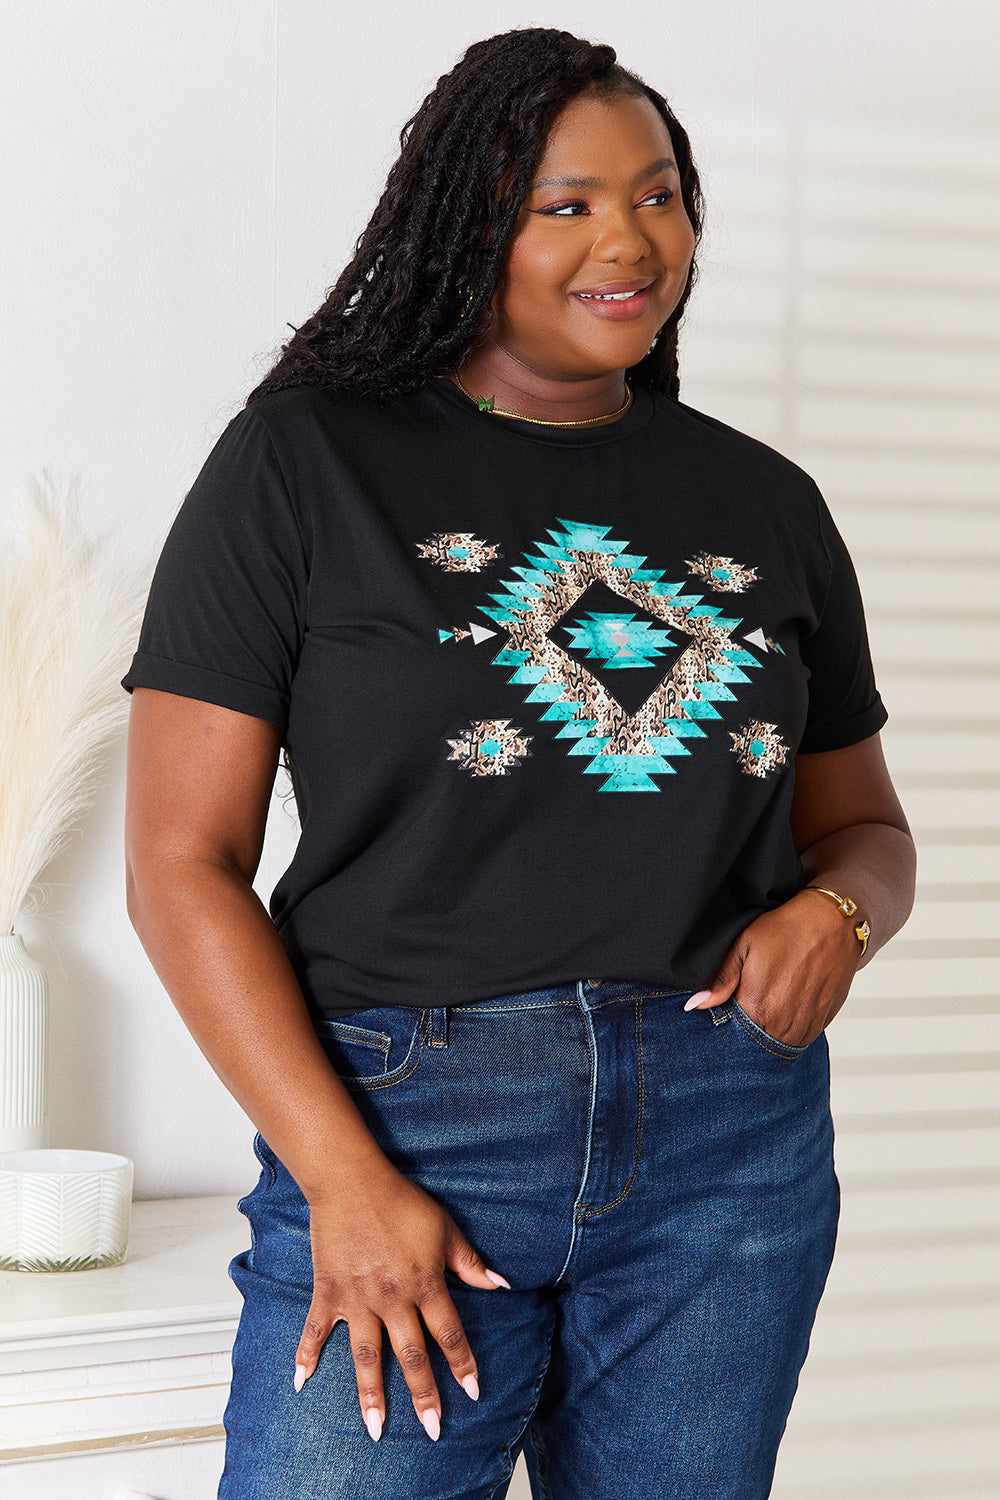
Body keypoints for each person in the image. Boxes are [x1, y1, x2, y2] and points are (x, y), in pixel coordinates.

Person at [122, 26, 916, 1500]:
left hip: (728, 1145)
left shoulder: (764, 500)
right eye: (566, 203)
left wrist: (841, 917)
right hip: (404, 1121)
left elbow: (865, 825)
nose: (630, 238)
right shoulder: (304, 466)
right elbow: (182, 864)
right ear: (464, 220)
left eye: (660, 192)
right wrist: (348, 1184)